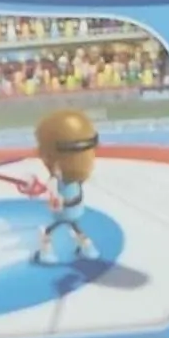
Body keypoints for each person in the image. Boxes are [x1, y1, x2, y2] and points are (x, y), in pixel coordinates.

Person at [31, 106, 100, 264]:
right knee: (74, 227)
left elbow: (53, 188)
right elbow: (54, 188)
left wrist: (54, 196)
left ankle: (47, 253)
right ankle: (88, 248)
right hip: (72, 210)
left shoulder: (63, 177)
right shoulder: (72, 177)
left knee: (51, 230)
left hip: (65, 211)